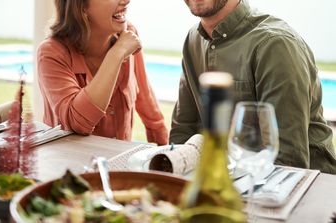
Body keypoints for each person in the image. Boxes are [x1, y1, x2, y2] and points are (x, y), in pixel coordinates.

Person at [170, 0, 336, 173]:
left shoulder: (275, 44)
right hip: (226, 180)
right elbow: (183, 130)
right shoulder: (193, 39)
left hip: (307, 188)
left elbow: (287, 162)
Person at [37, 0, 169, 145]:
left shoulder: (128, 36)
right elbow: (78, 122)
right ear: (81, 7)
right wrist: (116, 55)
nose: (126, 1)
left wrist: (166, 154)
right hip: (69, 165)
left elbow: (145, 99)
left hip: (118, 165)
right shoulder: (51, 53)